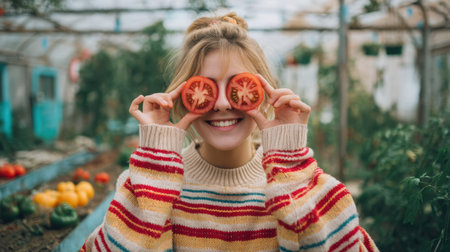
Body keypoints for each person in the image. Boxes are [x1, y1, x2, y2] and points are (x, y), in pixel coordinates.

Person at [81, 12, 378, 252]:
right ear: (181, 96)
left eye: (240, 86)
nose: (223, 103)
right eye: (204, 88)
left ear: (265, 93)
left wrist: (289, 159)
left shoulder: (299, 184)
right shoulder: (150, 186)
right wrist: (156, 160)